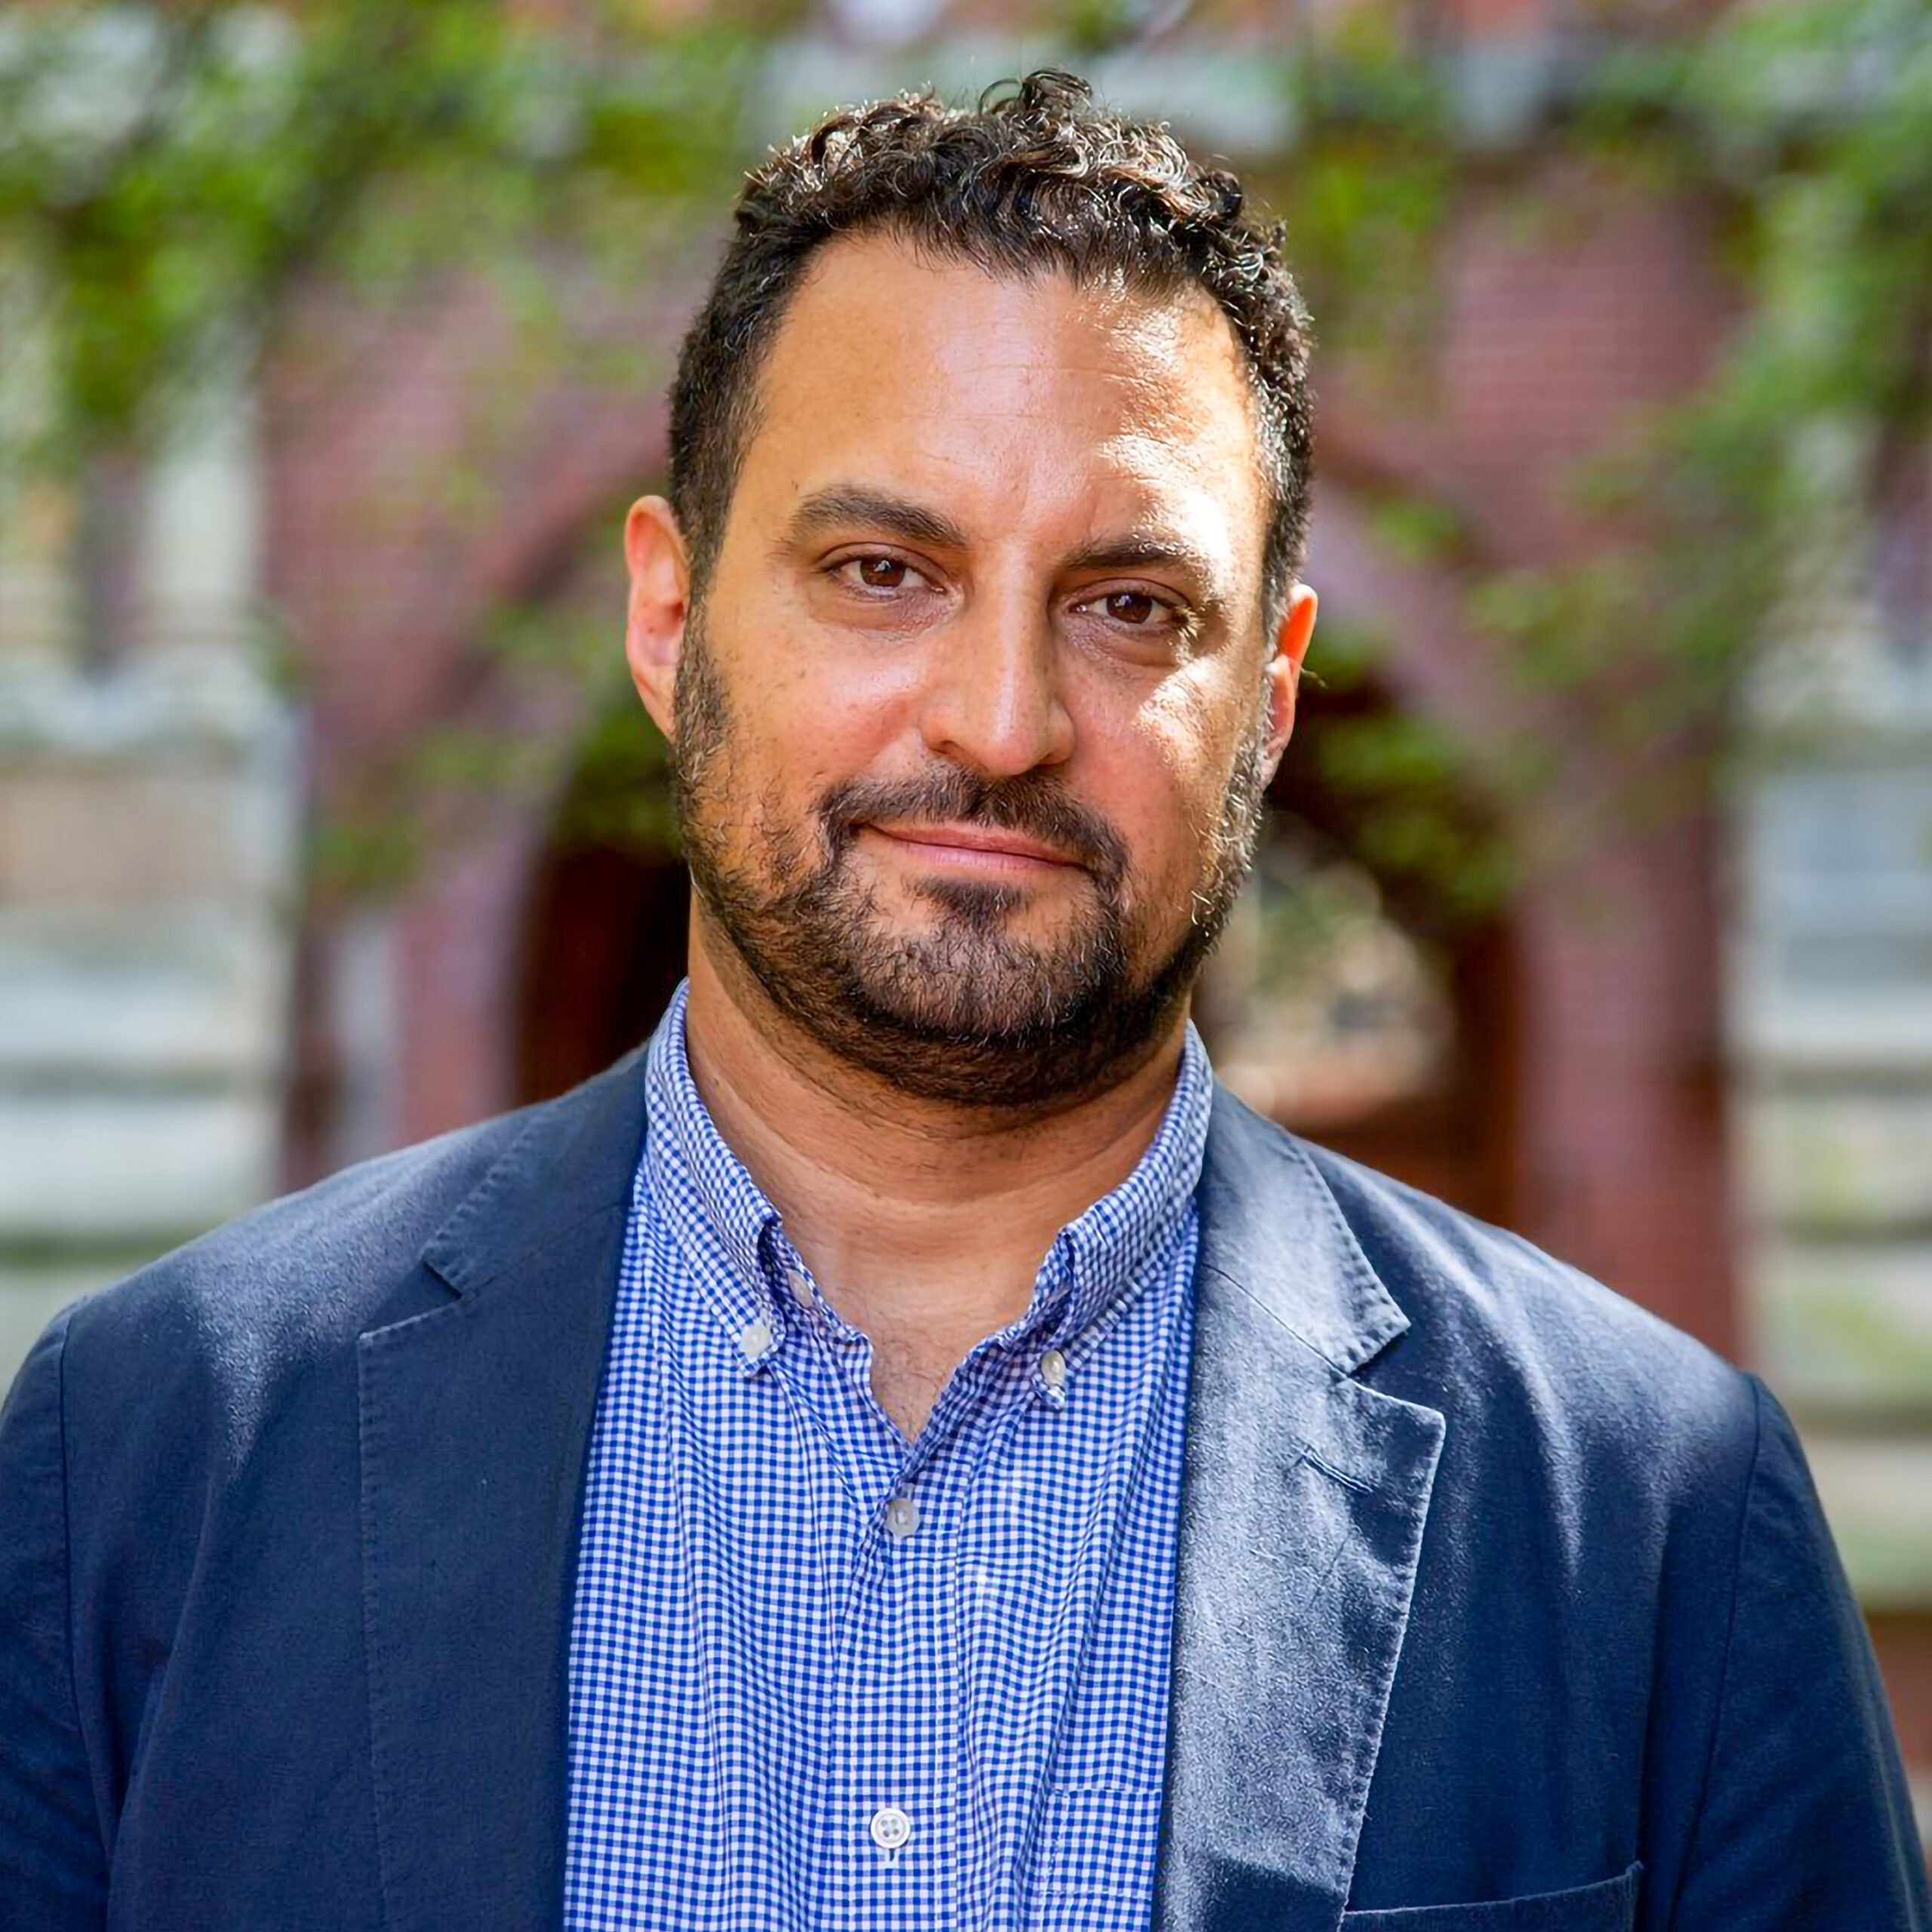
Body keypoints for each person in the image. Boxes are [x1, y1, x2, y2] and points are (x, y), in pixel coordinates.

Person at [1, 69, 1924, 1932]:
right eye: (878, 568)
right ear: (669, 622)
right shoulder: (156, 1450)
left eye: (1130, 606)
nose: (999, 720)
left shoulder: (1651, 1521)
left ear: (1266, 692)